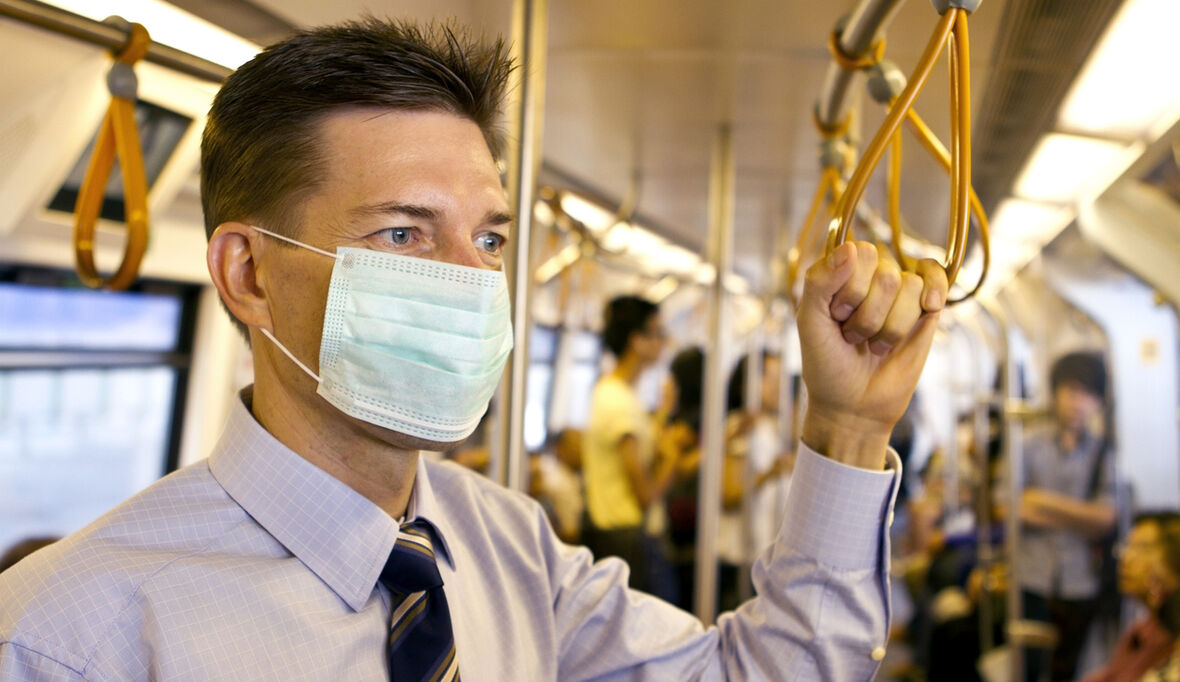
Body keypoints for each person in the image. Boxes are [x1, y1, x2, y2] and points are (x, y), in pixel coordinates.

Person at [0, 18, 949, 680]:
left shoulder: (511, 547)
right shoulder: (73, 636)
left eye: (489, 239)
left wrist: (849, 425)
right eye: (404, 234)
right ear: (248, 274)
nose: (471, 279)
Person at [1013, 351, 1118, 681]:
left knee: (1068, 669)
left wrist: (1042, 501)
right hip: (1032, 574)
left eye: (1089, 395)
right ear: (1055, 392)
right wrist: (1081, 517)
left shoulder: (1104, 452)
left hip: (1081, 579)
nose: (1079, 403)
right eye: (1072, 391)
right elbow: (1011, 508)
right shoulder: (1027, 444)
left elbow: (1106, 518)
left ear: (1098, 402)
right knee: (1027, 667)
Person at [581, 296, 686, 602]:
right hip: (628, 542)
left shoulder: (617, 394)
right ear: (636, 340)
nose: (663, 341)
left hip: (620, 538)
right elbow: (645, 494)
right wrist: (673, 460)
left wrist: (663, 415)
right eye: (657, 332)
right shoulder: (619, 403)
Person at [1082, 512, 1180, 682]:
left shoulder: (1169, 639)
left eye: (1142, 548)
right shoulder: (1140, 632)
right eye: (1128, 546)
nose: (1126, 558)